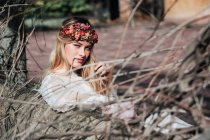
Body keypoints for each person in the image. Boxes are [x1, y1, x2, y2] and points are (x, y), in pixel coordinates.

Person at [38, 17, 136, 121]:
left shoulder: (89, 74)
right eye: (77, 45)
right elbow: (61, 103)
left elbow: (112, 101)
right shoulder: (53, 81)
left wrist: (107, 80)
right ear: (62, 44)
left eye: (87, 48)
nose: (82, 54)